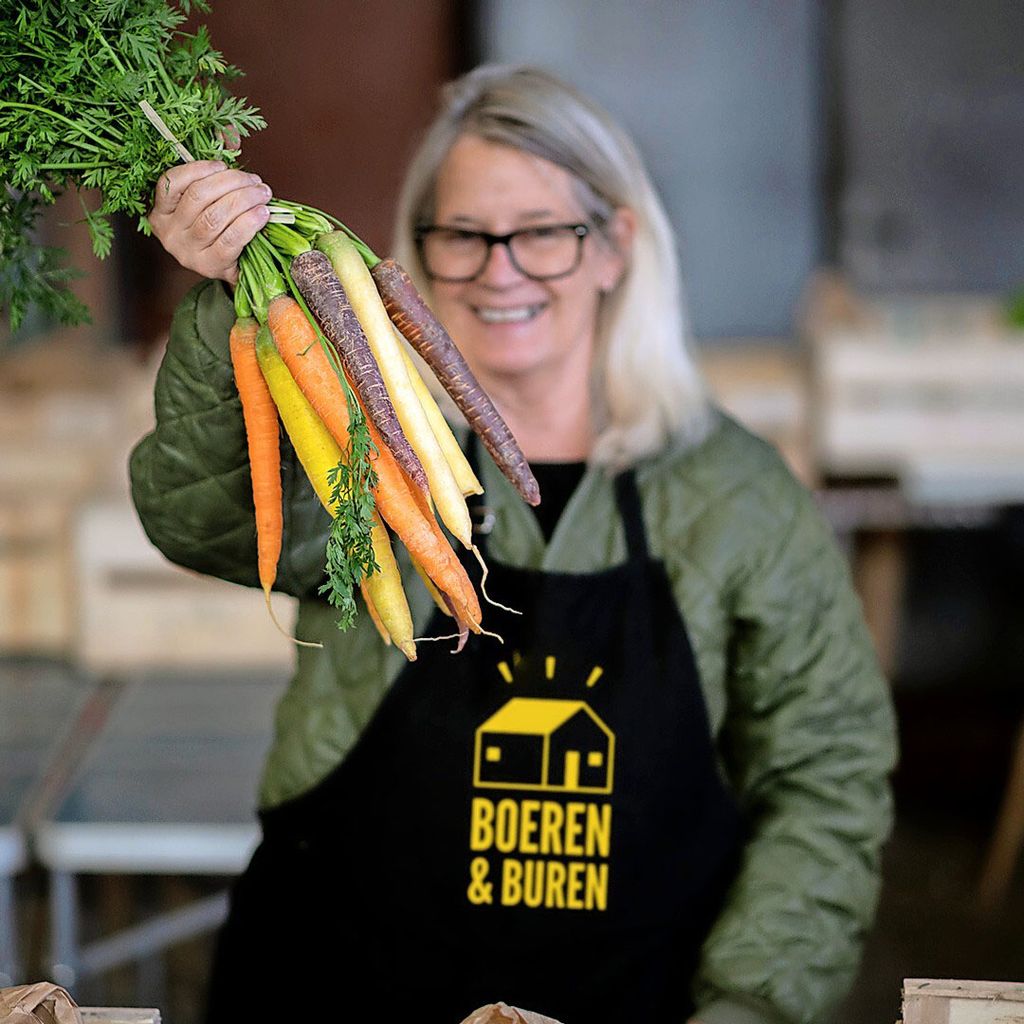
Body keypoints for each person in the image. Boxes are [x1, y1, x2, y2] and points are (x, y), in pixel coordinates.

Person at [132, 64, 897, 1024]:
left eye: (541, 232)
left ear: (616, 247)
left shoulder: (739, 497)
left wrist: (754, 1005)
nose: (501, 272)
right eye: (462, 236)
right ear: (415, 255)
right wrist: (221, 308)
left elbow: (826, 777)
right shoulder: (356, 450)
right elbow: (201, 521)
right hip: (335, 987)